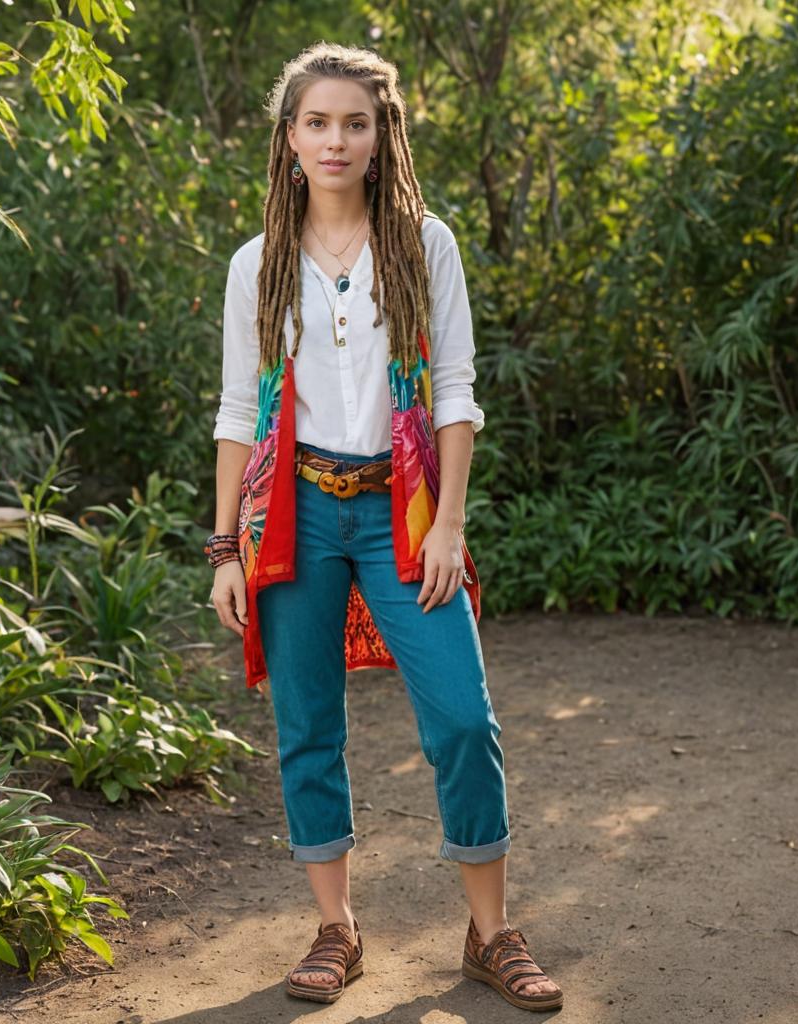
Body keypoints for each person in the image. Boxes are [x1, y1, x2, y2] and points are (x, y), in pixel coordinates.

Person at [207, 42, 562, 1013]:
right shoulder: (258, 265)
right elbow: (238, 412)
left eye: (353, 123)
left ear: (380, 135)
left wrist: (446, 523)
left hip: (402, 512)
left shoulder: (421, 244)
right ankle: (337, 929)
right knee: (306, 725)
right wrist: (223, 546)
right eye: (316, 122)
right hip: (294, 517)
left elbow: (454, 390)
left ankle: (491, 934)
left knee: (460, 716)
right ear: (288, 139)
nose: (335, 139)